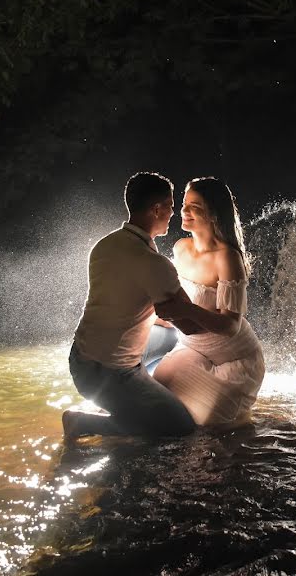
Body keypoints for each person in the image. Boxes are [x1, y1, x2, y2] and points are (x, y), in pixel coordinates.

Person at [63, 172, 199, 438]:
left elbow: (122, 302)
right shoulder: (153, 263)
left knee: (168, 336)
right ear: (156, 209)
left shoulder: (105, 245)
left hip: (80, 360)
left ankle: (137, 395)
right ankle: (84, 422)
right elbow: (191, 326)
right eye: (171, 206)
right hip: (110, 375)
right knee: (181, 427)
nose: (173, 213)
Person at [153, 177, 266, 426]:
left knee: (209, 429)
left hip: (235, 361)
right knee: (157, 395)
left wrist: (186, 310)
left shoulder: (227, 258)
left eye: (195, 206)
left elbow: (230, 326)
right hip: (192, 347)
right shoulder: (180, 248)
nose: (184, 211)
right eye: (184, 204)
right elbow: (175, 300)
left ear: (214, 213)